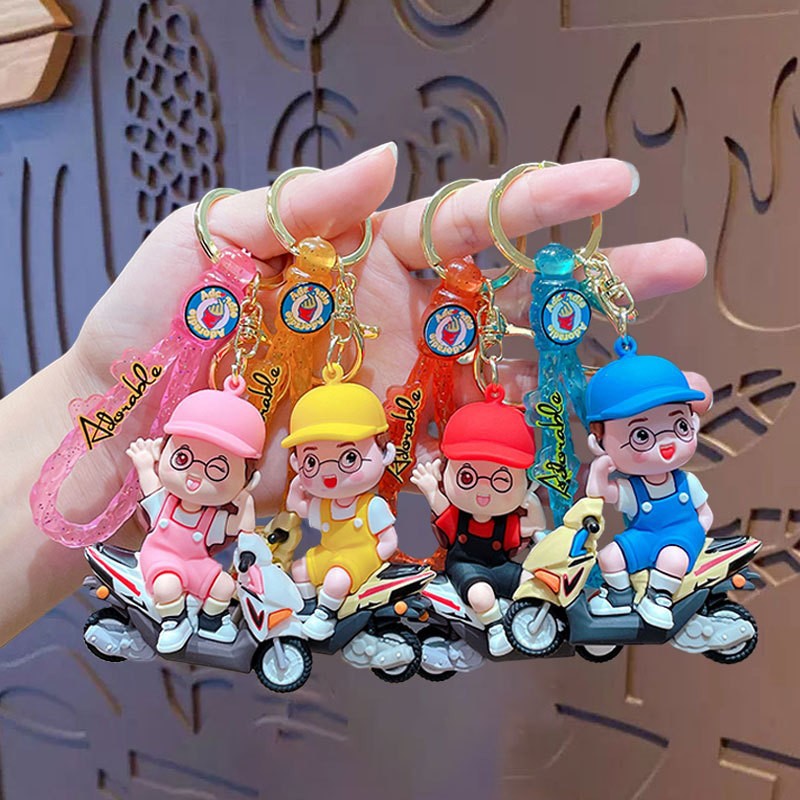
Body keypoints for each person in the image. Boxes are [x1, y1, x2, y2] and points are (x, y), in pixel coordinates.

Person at [0, 145, 710, 644]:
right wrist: (111, 415)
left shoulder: (479, 468)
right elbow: (281, 506)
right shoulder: (267, 453)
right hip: (280, 537)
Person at [585, 342, 713, 629]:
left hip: (682, 533)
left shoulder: (686, 482)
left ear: (693, 423)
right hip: (644, 535)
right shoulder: (635, 489)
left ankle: (659, 598)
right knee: (609, 556)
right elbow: (602, 494)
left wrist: (698, 530)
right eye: (641, 435)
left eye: (680, 426)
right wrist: (599, 470)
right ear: (599, 441)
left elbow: (705, 511)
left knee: (672, 559)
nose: (667, 444)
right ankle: (620, 597)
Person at [130, 383, 265, 653]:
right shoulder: (164, 503)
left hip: (196, 563)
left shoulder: (211, 518)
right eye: (182, 458)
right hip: (161, 557)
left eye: (217, 469)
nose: (195, 474)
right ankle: (174, 622)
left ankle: (210, 621)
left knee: (225, 585)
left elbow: (241, 529)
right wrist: (144, 464)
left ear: (246, 478)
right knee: (167, 586)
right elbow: (149, 484)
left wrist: (246, 502)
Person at [411, 385, 545, 656]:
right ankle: (496, 627)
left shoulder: (506, 522)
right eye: (468, 477)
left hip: (501, 566)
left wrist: (531, 503)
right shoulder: (458, 516)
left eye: (501, 480)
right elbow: (442, 509)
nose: (484, 490)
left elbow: (535, 528)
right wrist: (431, 490)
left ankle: (534, 622)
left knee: (536, 583)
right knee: (481, 595)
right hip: (466, 566)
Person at [282, 366, 397, 640]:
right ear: (296, 462)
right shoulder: (324, 505)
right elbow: (299, 509)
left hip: (361, 555)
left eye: (349, 458)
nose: (330, 474)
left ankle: (326, 614)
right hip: (329, 553)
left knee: (336, 579)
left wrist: (377, 557)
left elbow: (389, 540)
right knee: (298, 569)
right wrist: (296, 489)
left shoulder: (371, 506)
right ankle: (308, 607)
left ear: (385, 452)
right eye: (312, 462)